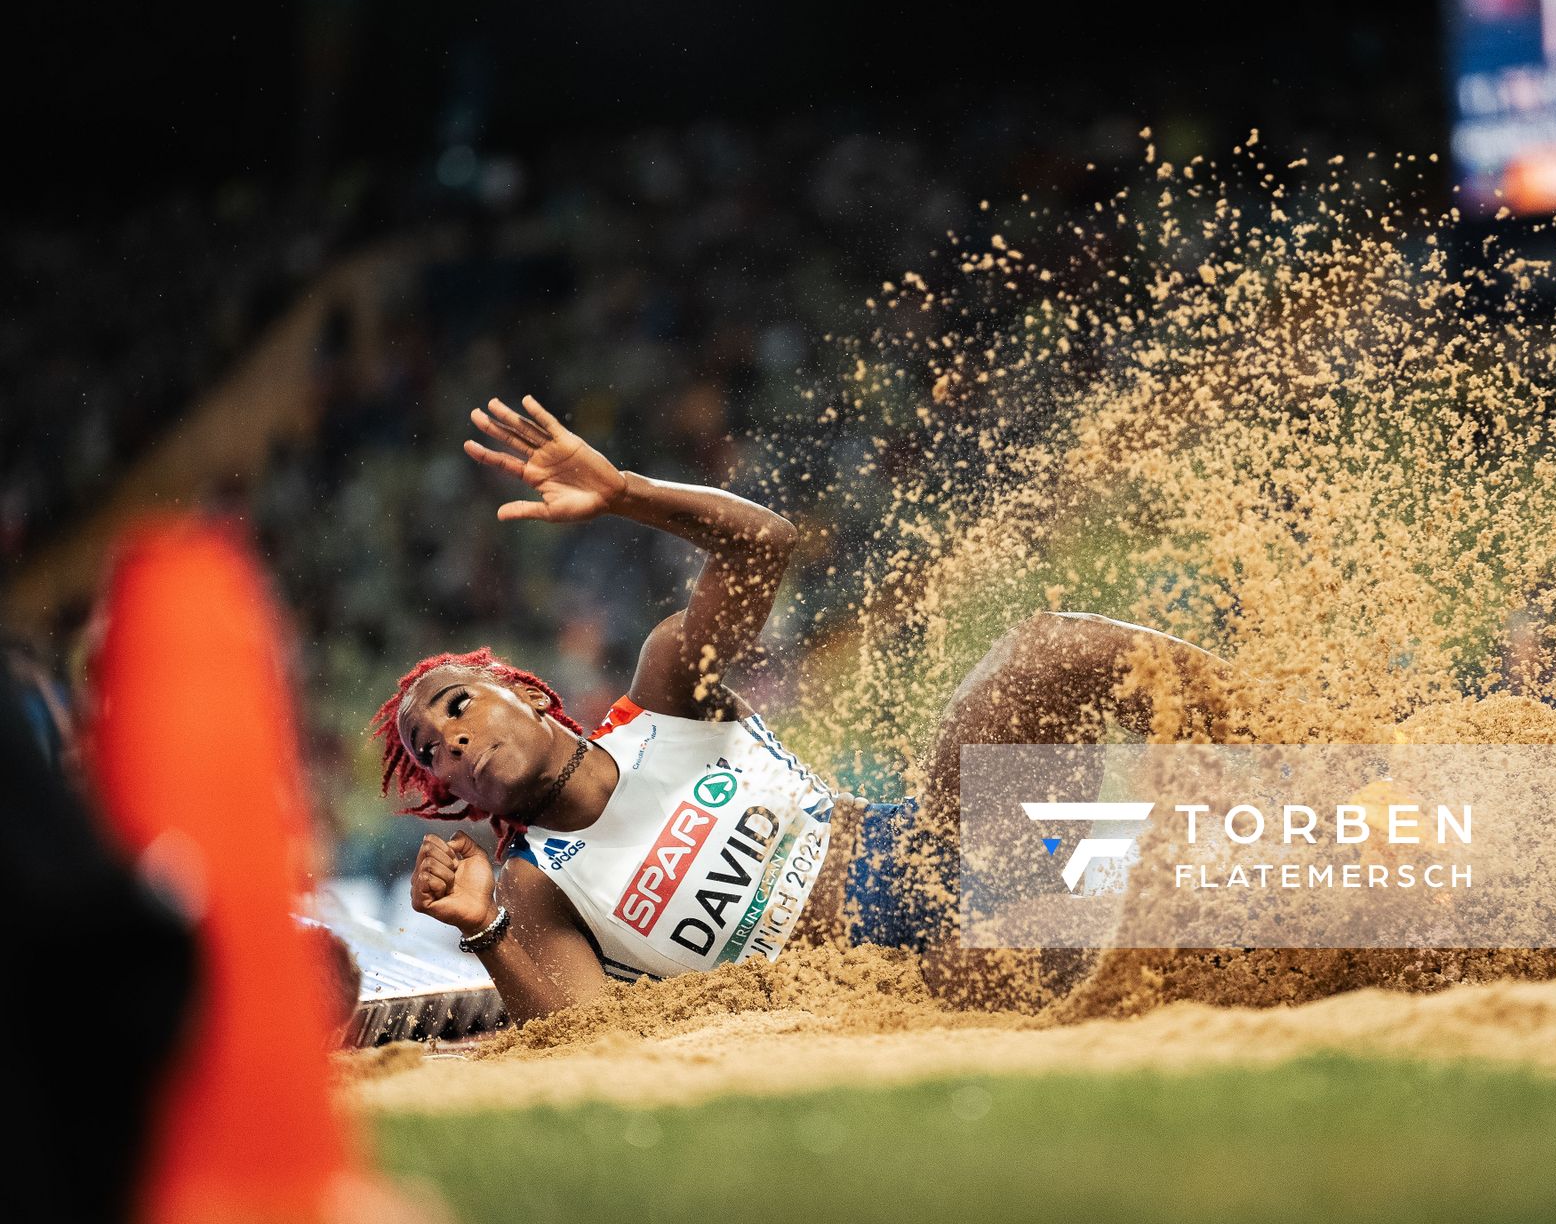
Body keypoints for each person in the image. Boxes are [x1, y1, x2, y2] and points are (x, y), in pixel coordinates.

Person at [375, 395, 1238, 1022]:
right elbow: (590, 1039)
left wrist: (629, 494)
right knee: (1110, 921)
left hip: (943, 845)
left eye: (457, 707)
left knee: (1044, 652)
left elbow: (765, 546)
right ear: (452, 798)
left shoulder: (667, 696)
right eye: (429, 753)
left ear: (525, 692)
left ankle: (1312, 725)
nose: (450, 739)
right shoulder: (537, 886)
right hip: (921, 976)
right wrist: (486, 929)